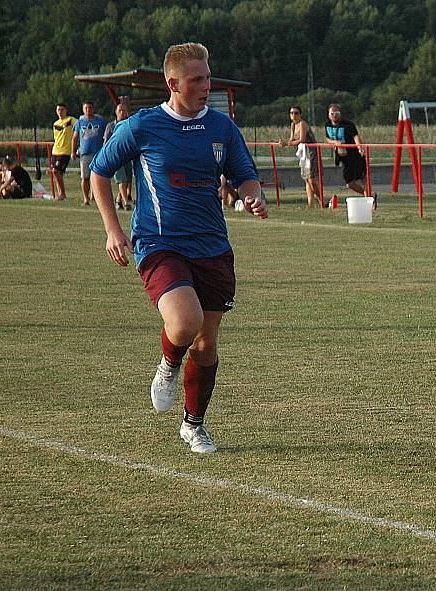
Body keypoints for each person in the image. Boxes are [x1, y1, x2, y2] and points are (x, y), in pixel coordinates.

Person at [90, 42, 268, 454]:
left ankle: (194, 425)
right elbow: (100, 172)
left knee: (206, 344)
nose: (206, 85)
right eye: (197, 80)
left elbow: (245, 175)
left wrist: (252, 195)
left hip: (212, 247)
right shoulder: (142, 126)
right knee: (185, 323)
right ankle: (168, 365)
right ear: (173, 83)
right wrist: (112, 230)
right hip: (159, 243)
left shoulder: (222, 128)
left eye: (208, 77)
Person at [324, 103, 376, 207]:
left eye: (337, 113)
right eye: (332, 113)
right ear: (329, 114)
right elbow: (327, 139)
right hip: (344, 158)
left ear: (340, 114)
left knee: (364, 178)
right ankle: (369, 196)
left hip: (355, 156)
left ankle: (369, 200)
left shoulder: (348, 125)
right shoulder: (327, 125)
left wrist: (359, 147)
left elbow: (356, 136)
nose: (334, 115)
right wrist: (335, 143)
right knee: (350, 183)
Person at [279, 106, 321, 208]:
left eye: (296, 113)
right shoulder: (293, 125)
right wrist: (284, 142)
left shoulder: (302, 124)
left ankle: (321, 200)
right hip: (303, 153)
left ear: (300, 114)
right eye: (292, 113)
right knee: (307, 178)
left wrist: (287, 144)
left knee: (312, 180)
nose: (294, 115)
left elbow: (302, 139)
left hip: (311, 152)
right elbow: (292, 139)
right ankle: (310, 204)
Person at [71, 100, 108, 206]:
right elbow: (75, 137)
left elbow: (107, 134)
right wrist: (73, 151)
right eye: (86, 108)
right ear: (83, 109)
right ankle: (85, 198)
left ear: (93, 109)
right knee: (85, 177)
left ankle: (96, 196)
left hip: (98, 152)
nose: (88, 110)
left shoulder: (100, 121)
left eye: (90, 108)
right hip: (85, 153)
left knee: (97, 175)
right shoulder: (80, 122)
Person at [103, 103, 133, 210]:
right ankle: (126, 203)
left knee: (128, 180)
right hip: (116, 157)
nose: (122, 113)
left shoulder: (129, 124)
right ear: (116, 112)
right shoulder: (110, 126)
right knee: (122, 180)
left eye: (124, 110)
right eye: (120, 110)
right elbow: (106, 142)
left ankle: (118, 200)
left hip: (127, 156)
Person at [51, 103, 77, 201]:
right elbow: (56, 137)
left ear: (66, 110)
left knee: (56, 171)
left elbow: (79, 126)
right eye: (58, 110)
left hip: (65, 151)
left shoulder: (71, 120)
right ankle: (60, 194)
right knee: (57, 173)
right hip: (55, 150)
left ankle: (63, 194)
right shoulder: (55, 123)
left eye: (62, 109)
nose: (60, 112)